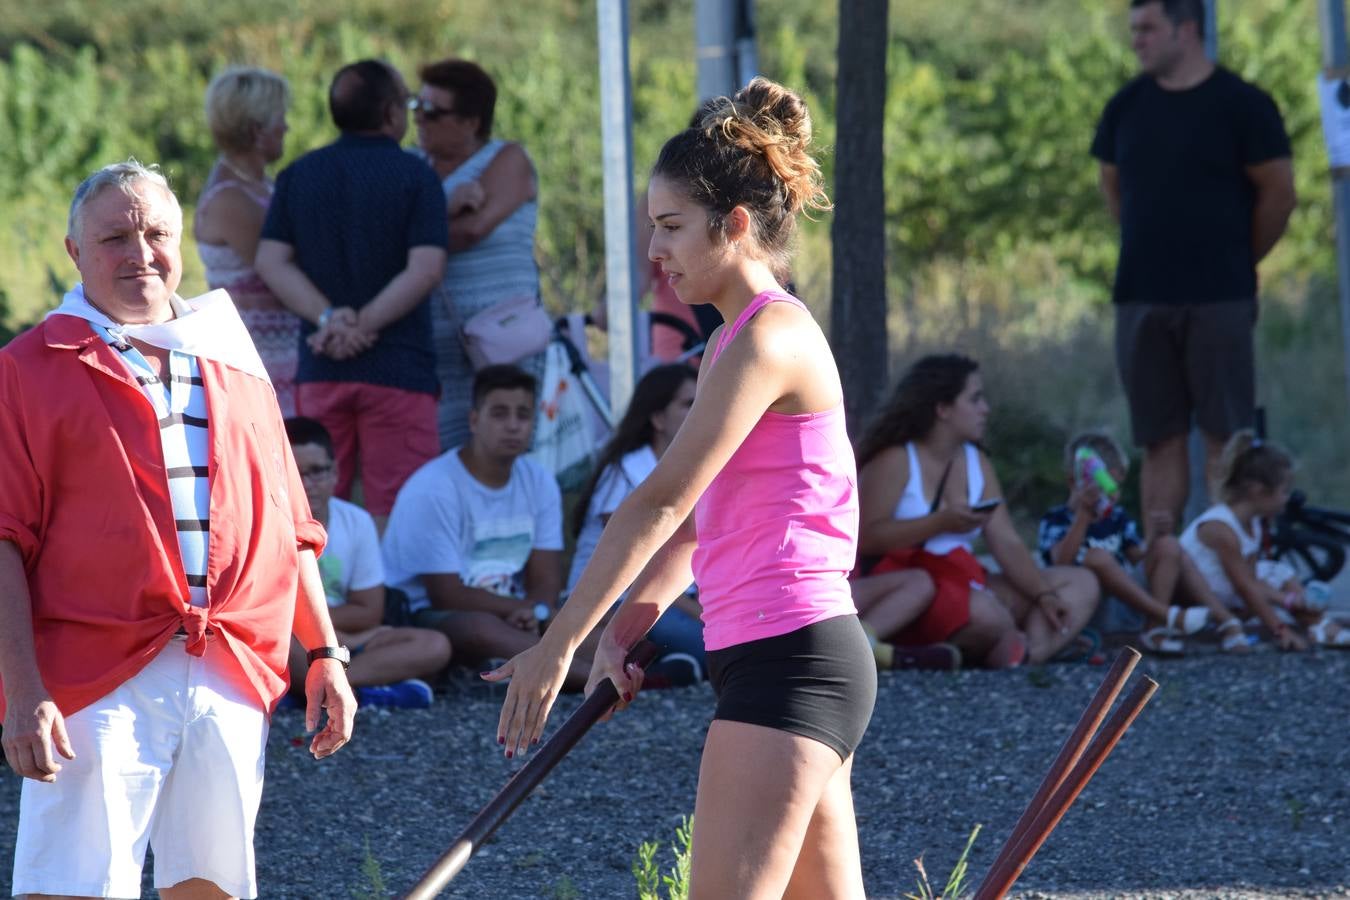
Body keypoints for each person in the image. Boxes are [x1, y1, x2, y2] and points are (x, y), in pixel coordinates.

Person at [488, 78, 878, 898]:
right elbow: (701, 525)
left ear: (735, 226)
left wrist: (557, 643)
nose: (656, 253)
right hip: (787, 656)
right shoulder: (731, 345)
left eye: (671, 228)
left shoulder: (769, 337)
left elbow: (658, 499)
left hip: (790, 658)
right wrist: (622, 631)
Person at [0, 161, 355, 899]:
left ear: (182, 240)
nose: (140, 253)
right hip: (93, 668)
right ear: (74, 251)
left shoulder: (228, 353)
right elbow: (3, 536)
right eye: (115, 237)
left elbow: (289, 522)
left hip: (227, 662)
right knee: (76, 883)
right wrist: (21, 686)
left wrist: (324, 652)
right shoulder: (29, 368)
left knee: (214, 884)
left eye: (156, 232)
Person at [1092, 0, 1296, 539]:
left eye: (1147, 28)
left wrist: (1236, 258)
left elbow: (1279, 194)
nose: (1136, 39)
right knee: (1158, 438)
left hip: (1220, 297)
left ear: (1187, 29)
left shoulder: (1243, 105)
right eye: (1133, 29)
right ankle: (1167, 569)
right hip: (1142, 295)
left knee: (1223, 437)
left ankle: (1229, 567)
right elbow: (1113, 189)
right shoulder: (1124, 108)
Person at [256, 59, 448, 530]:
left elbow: (271, 261)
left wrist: (329, 320)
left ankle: (327, 600)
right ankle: (391, 602)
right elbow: (426, 268)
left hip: (322, 364)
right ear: (389, 113)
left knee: (315, 508)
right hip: (400, 368)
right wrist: (363, 325)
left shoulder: (298, 174)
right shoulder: (417, 175)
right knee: (401, 507)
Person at [855, 354, 1100, 667]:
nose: (985, 409)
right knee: (988, 614)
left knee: (1081, 583)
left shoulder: (976, 461)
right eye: (975, 399)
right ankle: (1003, 643)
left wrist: (1043, 595)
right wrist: (939, 523)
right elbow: (865, 540)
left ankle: (1026, 655)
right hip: (912, 588)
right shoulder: (897, 459)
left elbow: (1006, 541)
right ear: (942, 409)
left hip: (967, 579)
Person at [382, 365, 592, 689]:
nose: (512, 426)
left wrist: (535, 610)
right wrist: (525, 609)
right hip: (430, 614)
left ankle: (626, 667)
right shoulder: (434, 486)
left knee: (584, 617)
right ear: (474, 420)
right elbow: (445, 593)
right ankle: (592, 681)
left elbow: (546, 577)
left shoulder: (539, 481)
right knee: (481, 629)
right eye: (499, 414)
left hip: (515, 610)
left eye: (522, 415)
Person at [411, 58, 548, 451]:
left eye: (432, 112)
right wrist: (445, 204)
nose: (419, 120)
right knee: (445, 451)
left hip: (504, 340)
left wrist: (419, 227)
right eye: (414, 107)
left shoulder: (507, 159)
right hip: (437, 342)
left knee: (507, 447)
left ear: (471, 122)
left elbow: (472, 230)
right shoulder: (412, 165)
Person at [286, 416, 452, 707]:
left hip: (348, 641)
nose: (307, 485)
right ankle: (364, 691)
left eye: (316, 472)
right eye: (296, 475)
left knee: (435, 645)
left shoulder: (357, 522)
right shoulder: (265, 523)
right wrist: (334, 629)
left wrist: (347, 632)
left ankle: (328, 690)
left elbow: (370, 610)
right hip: (300, 641)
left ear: (336, 472)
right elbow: (273, 613)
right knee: (287, 645)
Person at [1038, 431, 1247, 655]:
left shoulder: (1117, 516)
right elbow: (1060, 563)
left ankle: (1159, 629)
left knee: (1169, 545)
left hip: (1127, 601)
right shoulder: (1056, 519)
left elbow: (1137, 557)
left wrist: (1156, 537)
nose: (1111, 496)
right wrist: (1083, 516)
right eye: (1103, 486)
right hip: (1086, 606)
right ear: (1074, 481)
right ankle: (1168, 615)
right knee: (1097, 556)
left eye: (1114, 489)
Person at [567, 363, 706, 672]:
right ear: (657, 418)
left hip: (675, 600)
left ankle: (659, 666)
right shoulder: (623, 472)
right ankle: (659, 668)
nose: (701, 411)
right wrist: (703, 614)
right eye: (689, 404)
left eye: (703, 401)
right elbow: (633, 573)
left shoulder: (699, 468)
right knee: (712, 644)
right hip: (622, 602)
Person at [1179, 432, 1350, 651]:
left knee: (1278, 572)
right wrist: (1279, 628)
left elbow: (1250, 579)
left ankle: (1317, 624)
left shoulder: (1255, 524)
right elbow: (1245, 586)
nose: (1287, 499)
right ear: (1258, 491)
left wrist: (1284, 599)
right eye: (1284, 491)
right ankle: (1313, 623)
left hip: (1226, 588)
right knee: (1270, 578)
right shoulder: (1221, 527)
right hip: (1203, 594)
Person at [195, 65, 301, 415]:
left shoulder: (260, 186)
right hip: (262, 357)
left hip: (287, 350)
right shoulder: (231, 199)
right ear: (258, 129)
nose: (286, 125)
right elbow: (287, 269)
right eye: (280, 117)